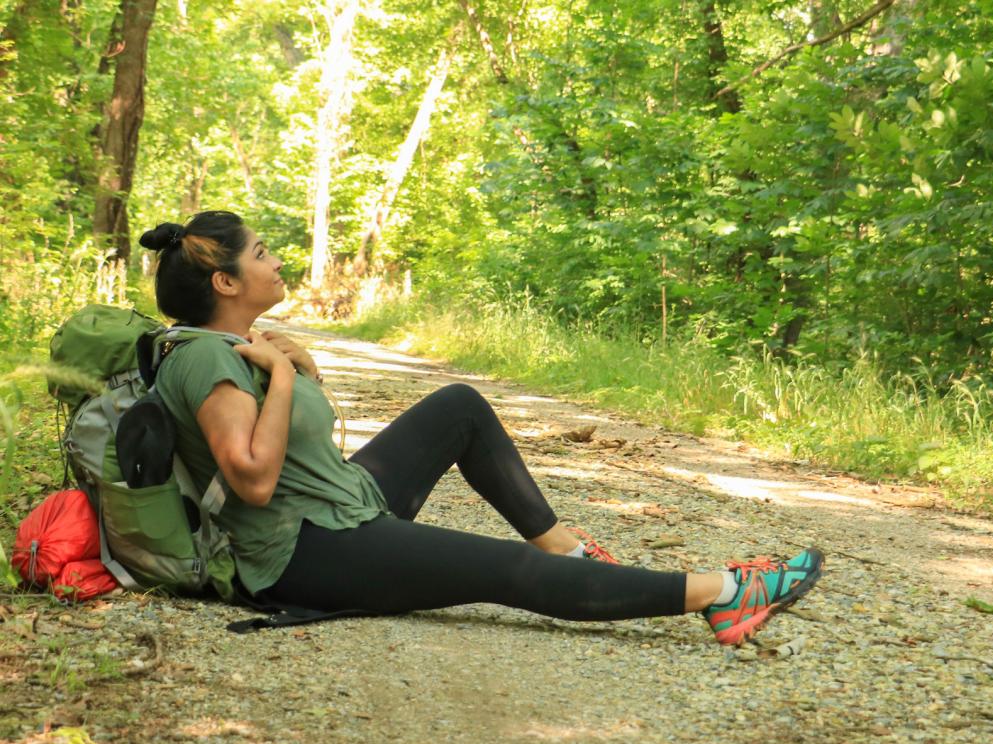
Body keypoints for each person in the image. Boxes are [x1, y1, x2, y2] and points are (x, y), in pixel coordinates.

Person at [142, 210, 824, 647]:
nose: (276, 260)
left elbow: (296, 446)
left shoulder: (241, 347)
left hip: (341, 503)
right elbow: (254, 481)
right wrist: (285, 381)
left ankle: (569, 552)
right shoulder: (206, 360)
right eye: (262, 253)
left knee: (460, 405)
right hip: (302, 551)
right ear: (226, 283)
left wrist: (303, 368)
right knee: (505, 570)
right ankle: (724, 594)